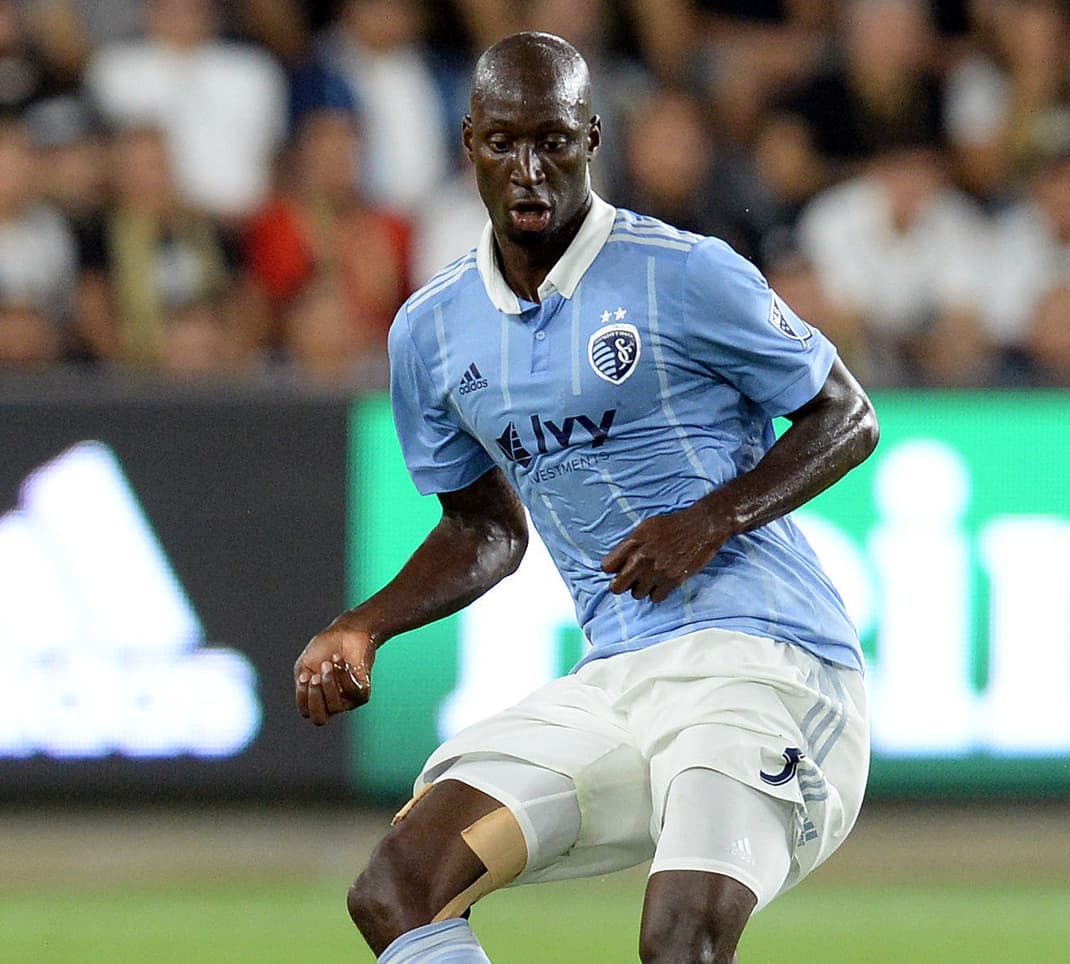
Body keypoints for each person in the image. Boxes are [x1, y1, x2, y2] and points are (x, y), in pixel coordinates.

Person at [294, 32, 878, 964]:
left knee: (678, 939)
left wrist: (709, 519)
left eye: (554, 142)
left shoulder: (684, 272)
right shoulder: (432, 332)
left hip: (765, 664)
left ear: (592, 138)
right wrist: (363, 625)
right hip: (617, 683)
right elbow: (485, 529)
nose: (530, 170)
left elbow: (846, 416)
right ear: (468, 142)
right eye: (504, 144)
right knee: (398, 889)